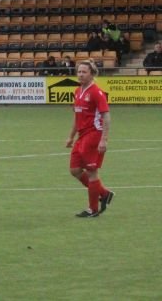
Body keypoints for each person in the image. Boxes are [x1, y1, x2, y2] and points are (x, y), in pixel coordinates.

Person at [65, 60, 115, 217]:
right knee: (74, 170)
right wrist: (71, 136)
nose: (80, 74)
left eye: (84, 72)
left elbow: (106, 116)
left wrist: (104, 139)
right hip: (82, 136)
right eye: (79, 72)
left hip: (93, 135)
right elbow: (77, 116)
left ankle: (92, 209)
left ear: (92, 73)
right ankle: (104, 193)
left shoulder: (96, 92)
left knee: (92, 171)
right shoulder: (78, 91)